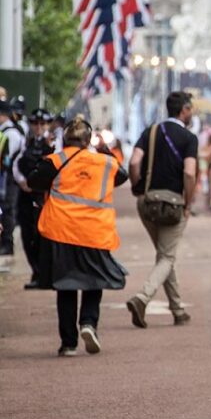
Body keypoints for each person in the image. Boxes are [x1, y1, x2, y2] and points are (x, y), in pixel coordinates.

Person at [27, 116, 129, 356]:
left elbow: (33, 181)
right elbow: (121, 176)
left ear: (65, 138)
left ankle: (68, 343)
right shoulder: (105, 162)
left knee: (66, 285)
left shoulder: (54, 160)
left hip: (61, 231)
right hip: (95, 231)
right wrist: (101, 152)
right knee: (95, 279)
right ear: (87, 140)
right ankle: (89, 323)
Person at [126, 92, 199, 329]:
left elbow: (135, 162)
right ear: (184, 110)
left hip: (147, 201)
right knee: (167, 256)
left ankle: (177, 309)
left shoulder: (151, 131)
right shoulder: (189, 138)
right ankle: (142, 297)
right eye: (191, 109)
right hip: (173, 204)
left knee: (164, 255)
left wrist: (138, 187)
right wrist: (188, 201)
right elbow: (189, 173)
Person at [13, 109, 55, 289]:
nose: (38, 127)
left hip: (43, 195)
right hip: (26, 193)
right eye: (35, 124)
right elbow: (16, 164)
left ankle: (45, 274)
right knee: (26, 234)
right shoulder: (26, 141)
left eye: (42, 124)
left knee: (42, 235)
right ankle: (36, 272)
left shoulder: (54, 142)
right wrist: (23, 182)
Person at [0, 99, 26, 256]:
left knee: (8, 209)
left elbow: (9, 158)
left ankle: (7, 244)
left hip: (10, 178)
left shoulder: (11, 133)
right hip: (5, 177)